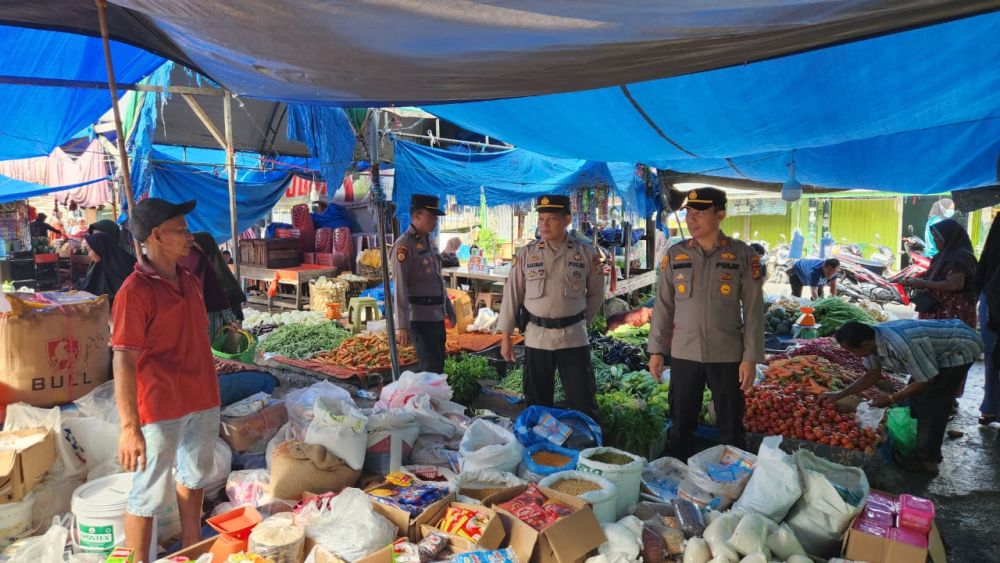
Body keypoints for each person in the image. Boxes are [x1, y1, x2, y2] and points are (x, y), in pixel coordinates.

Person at [111, 198, 220, 563]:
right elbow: (123, 360)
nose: (189, 236)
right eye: (181, 230)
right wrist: (129, 427)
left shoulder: (189, 279)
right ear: (156, 236)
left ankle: (191, 546)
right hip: (160, 407)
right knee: (148, 493)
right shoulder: (135, 291)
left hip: (203, 396)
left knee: (195, 476)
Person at [648, 188, 765, 461]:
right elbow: (663, 307)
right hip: (684, 353)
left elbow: (754, 311)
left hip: (727, 354)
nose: (691, 219)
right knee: (681, 423)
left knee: (731, 425)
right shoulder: (676, 255)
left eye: (700, 213)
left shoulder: (743, 255)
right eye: (688, 212)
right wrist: (656, 350)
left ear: (720, 214)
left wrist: (750, 358)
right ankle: (679, 472)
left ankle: (732, 478)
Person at [820, 320, 982, 474]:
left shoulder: (901, 345)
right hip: (937, 346)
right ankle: (919, 442)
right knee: (916, 396)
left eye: (852, 351)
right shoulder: (871, 343)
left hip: (960, 346)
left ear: (864, 344)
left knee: (933, 402)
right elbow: (872, 374)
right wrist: (839, 394)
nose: (853, 355)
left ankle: (928, 461)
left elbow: (926, 380)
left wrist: (890, 399)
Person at [499, 195, 605, 418]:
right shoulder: (527, 253)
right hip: (537, 338)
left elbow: (597, 293)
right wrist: (506, 337)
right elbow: (512, 294)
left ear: (567, 219)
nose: (544, 225)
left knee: (582, 401)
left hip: (574, 338)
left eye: (551, 219)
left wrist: (581, 321)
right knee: (537, 404)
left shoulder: (586, 252)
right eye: (541, 219)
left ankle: (585, 439)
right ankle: (539, 439)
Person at [392, 194, 456, 374]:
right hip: (419, 320)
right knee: (428, 371)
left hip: (436, 317)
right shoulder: (404, 246)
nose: (435, 221)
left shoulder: (429, 243)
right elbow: (400, 287)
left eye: (436, 217)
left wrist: (448, 306)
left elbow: (437, 279)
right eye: (431, 216)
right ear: (416, 216)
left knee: (437, 368)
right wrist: (402, 325)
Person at [906, 218, 978, 329]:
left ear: (948, 237)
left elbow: (954, 285)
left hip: (952, 313)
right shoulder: (943, 255)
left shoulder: (959, 257)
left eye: (937, 236)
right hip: (937, 310)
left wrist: (923, 283)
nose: (934, 240)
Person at [177, 238, 240, 338]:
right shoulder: (199, 259)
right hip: (208, 313)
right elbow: (215, 292)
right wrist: (230, 319)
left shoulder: (180, 258)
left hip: (187, 315)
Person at [977, 213, 1000, 425]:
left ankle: (991, 407)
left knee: (993, 357)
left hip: (992, 300)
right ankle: (991, 407)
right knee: (993, 356)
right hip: (994, 302)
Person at [193, 232, 247, 322]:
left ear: (206, 247)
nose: (192, 251)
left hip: (219, 321)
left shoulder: (217, 270)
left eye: (196, 247)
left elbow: (231, 297)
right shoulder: (195, 267)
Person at [80, 231, 137, 304]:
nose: (89, 255)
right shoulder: (100, 264)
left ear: (99, 248)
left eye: (89, 250)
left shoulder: (124, 267)